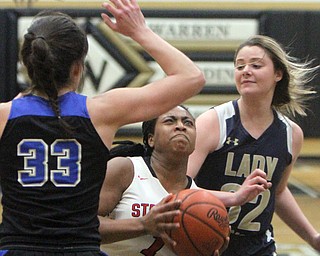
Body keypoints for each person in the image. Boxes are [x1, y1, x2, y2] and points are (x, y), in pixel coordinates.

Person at [0, 0, 206, 254]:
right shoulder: (101, 112)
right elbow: (192, 77)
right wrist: (139, 31)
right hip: (81, 248)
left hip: (18, 248)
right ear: (78, 69)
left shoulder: (5, 116)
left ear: (28, 63)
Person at [187, 34, 320, 255]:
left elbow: (278, 192)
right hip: (206, 241)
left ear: (278, 74)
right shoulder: (214, 122)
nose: (246, 70)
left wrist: (312, 237)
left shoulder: (291, 134)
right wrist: (234, 198)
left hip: (258, 247)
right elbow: (182, 186)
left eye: (256, 65)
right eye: (240, 66)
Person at [98, 105, 272, 256]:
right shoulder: (126, 169)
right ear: (151, 139)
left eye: (188, 123)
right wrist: (142, 225)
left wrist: (208, 247)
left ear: (195, 141)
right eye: (170, 121)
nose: (180, 126)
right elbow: (81, 225)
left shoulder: (197, 200)